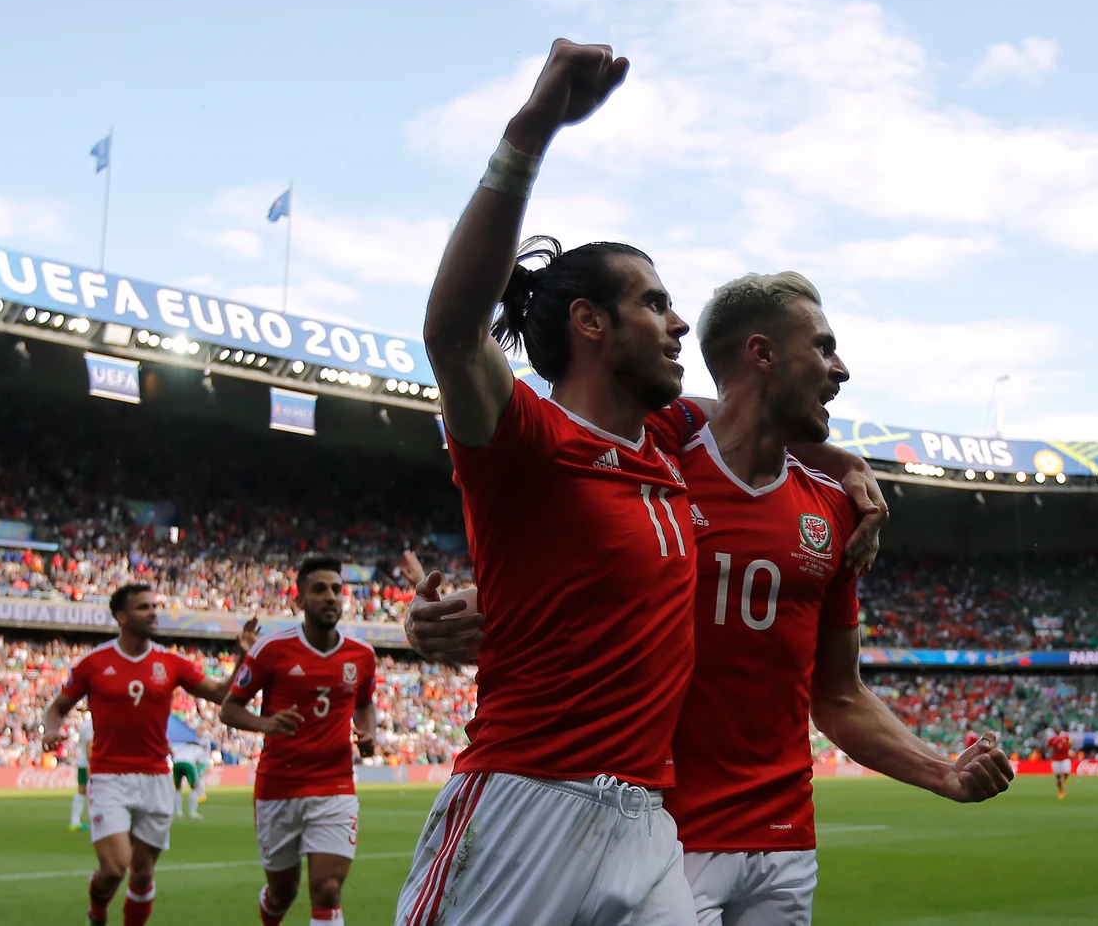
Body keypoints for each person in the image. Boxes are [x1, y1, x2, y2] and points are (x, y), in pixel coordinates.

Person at [394, 38, 887, 926]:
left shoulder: (672, 449)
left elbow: (753, 410)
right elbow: (454, 334)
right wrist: (531, 130)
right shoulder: (529, 440)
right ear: (590, 322)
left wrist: (838, 460)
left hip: (649, 822)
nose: (676, 321)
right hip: (522, 808)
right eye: (654, 303)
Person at [411, 271, 1009, 926]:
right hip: (665, 827)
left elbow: (838, 695)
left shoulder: (835, 512)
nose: (841, 369)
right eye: (824, 347)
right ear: (762, 353)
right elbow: (576, 538)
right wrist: (481, 599)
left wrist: (940, 770)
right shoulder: (662, 449)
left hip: (784, 839)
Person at [41, 583, 258, 926]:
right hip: (109, 776)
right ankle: (97, 912)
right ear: (122, 617)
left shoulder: (170, 662)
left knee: (142, 874)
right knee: (114, 868)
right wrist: (50, 730)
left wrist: (242, 658)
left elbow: (219, 693)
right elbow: (57, 708)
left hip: (157, 776)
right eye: (143, 607)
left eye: (154, 606)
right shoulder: (93, 664)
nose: (153, 612)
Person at [222, 556, 379, 926]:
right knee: (283, 893)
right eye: (319, 589)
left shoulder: (363, 655)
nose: (331, 597)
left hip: (335, 786)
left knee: (326, 889)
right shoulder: (270, 651)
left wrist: (369, 733)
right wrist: (266, 723)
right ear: (299, 600)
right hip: (279, 786)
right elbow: (229, 709)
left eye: (337, 590)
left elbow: (366, 703)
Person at [167, 721, 210, 820]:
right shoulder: (200, 748)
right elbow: (200, 762)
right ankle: (192, 812)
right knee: (194, 788)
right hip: (189, 764)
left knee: (177, 788)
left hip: (177, 763)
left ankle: (178, 812)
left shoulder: (184, 746)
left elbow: (175, 754)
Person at [70, 707, 95, 831]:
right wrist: (92, 765)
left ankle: (75, 821)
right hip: (88, 763)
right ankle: (93, 821)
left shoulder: (86, 724)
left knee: (82, 790)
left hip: (83, 762)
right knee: (92, 791)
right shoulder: (92, 725)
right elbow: (89, 746)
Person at [1047, 729, 1073, 800]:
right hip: (1056, 759)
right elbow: (1048, 747)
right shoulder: (1052, 739)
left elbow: (1071, 742)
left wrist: (1070, 749)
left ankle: (1066, 777)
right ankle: (1061, 791)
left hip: (1065, 758)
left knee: (1066, 772)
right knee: (1057, 775)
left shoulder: (1065, 737)